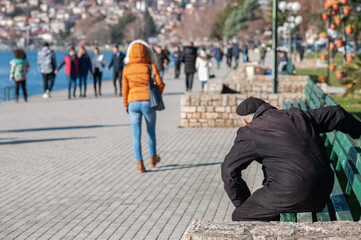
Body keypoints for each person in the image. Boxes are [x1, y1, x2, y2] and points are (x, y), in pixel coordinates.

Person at [221, 97, 361, 222]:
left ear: (245, 121)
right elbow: (336, 112)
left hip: (295, 192)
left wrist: (243, 202)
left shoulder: (251, 131)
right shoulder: (296, 115)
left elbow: (228, 169)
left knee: (241, 215)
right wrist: (357, 131)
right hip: (325, 189)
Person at [122, 39, 165, 173]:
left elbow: (125, 90)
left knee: (136, 135)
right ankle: (153, 158)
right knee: (150, 132)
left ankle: (140, 164)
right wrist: (158, 94)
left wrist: (126, 105)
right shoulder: (150, 67)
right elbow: (160, 84)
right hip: (148, 101)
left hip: (133, 102)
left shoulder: (127, 69)